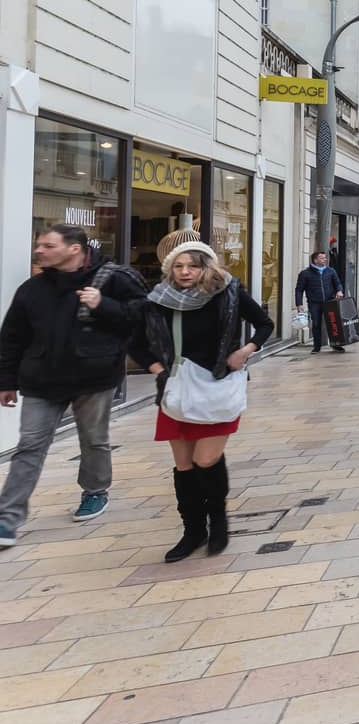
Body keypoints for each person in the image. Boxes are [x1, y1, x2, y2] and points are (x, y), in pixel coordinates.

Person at [0, 224, 150, 545]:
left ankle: (95, 491)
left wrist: (103, 305)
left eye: (48, 245)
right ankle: (8, 517)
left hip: (94, 377)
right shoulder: (32, 289)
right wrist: (6, 380)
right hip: (42, 380)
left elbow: (142, 317)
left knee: (93, 439)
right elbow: (12, 338)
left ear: (74, 249)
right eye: (39, 245)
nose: (39, 251)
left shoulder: (113, 279)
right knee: (29, 446)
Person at [134, 240, 271, 561]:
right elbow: (135, 339)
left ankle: (219, 520)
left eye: (192, 266)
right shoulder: (159, 299)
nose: (184, 272)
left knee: (205, 460)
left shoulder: (228, 293)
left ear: (206, 267)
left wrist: (243, 352)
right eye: (178, 266)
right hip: (177, 392)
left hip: (217, 388)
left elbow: (265, 324)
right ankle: (193, 531)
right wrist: (158, 369)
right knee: (183, 466)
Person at [294, 251, 346, 353]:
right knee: (316, 324)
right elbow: (299, 290)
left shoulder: (331, 271)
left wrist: (339, 291)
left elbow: (338, 283)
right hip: (314, 303)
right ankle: (316, 346)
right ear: (315, 260)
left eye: (325, 258)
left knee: (333, 324)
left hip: (329, 302)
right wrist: (299, 304)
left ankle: (336, 344)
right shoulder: (305, 274)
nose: (325, 260)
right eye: (322, 258)